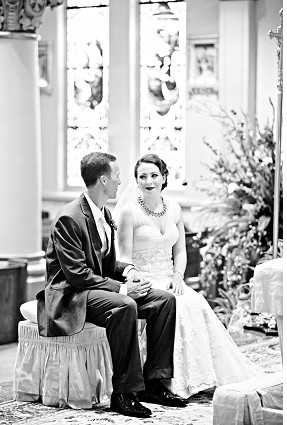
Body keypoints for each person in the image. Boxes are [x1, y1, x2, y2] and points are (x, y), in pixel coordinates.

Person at [37, 152, 186, 419]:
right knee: (125, 305)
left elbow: (106, 263)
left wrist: (129, 271)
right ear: (103, 180)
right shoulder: (69, 217)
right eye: (117, 175)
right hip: (72, 295)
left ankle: (154, 383)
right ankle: (124, 393)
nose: (121, 181)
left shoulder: (103, 212)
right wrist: (123, 289)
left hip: (93, 288)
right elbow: (78, 275)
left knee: (164, 301)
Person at [114, 154, 261, 398]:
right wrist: (136, 278)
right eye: (143, 176)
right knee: (177, 307)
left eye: (154, 175)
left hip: (171, 278)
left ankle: (200, 377)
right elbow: (124, 258)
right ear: (136, 181)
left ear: (163, 178)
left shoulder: (174, 208)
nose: (149, 181)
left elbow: (180, 250)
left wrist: (179, 276)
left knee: (196, 302)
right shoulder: (129, 212)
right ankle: (162, 382)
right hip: (145, 279)